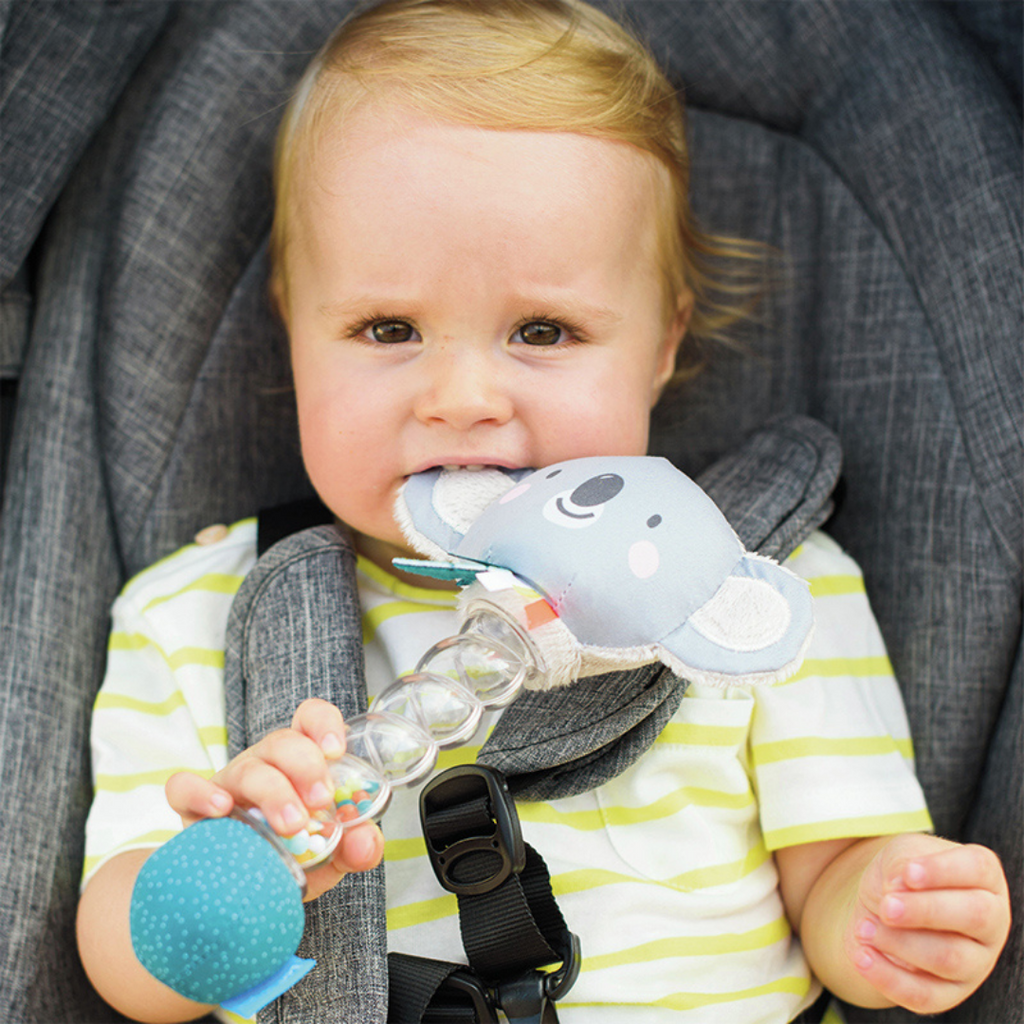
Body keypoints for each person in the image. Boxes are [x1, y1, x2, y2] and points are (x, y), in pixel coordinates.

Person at [75, 2, 1010, 1022]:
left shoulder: (757, 593)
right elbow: (122, 970)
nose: (465, 396)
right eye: (388, 327)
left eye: (544, 329)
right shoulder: (195, 613)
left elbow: (833, 876)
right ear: (293, 326)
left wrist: (881, 914)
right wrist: (224, 870)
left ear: (660, 345)